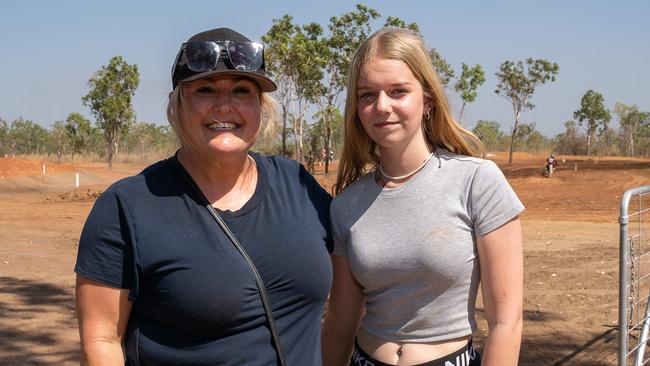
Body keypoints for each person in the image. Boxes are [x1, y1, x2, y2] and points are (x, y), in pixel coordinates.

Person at [75, 27, 333, 365]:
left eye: (242, 90)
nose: (224, 105)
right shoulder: (127, 207)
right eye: (205, 90)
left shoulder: (297, 184)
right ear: (177, 105)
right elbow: (102, 341)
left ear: (260, 107)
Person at [322, 27, 524, 366]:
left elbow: (507, 322)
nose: (381, 107)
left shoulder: (477, 181)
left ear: (427, 100)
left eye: (398, 91)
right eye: (367, 95)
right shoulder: (347, 205)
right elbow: (339, 329)